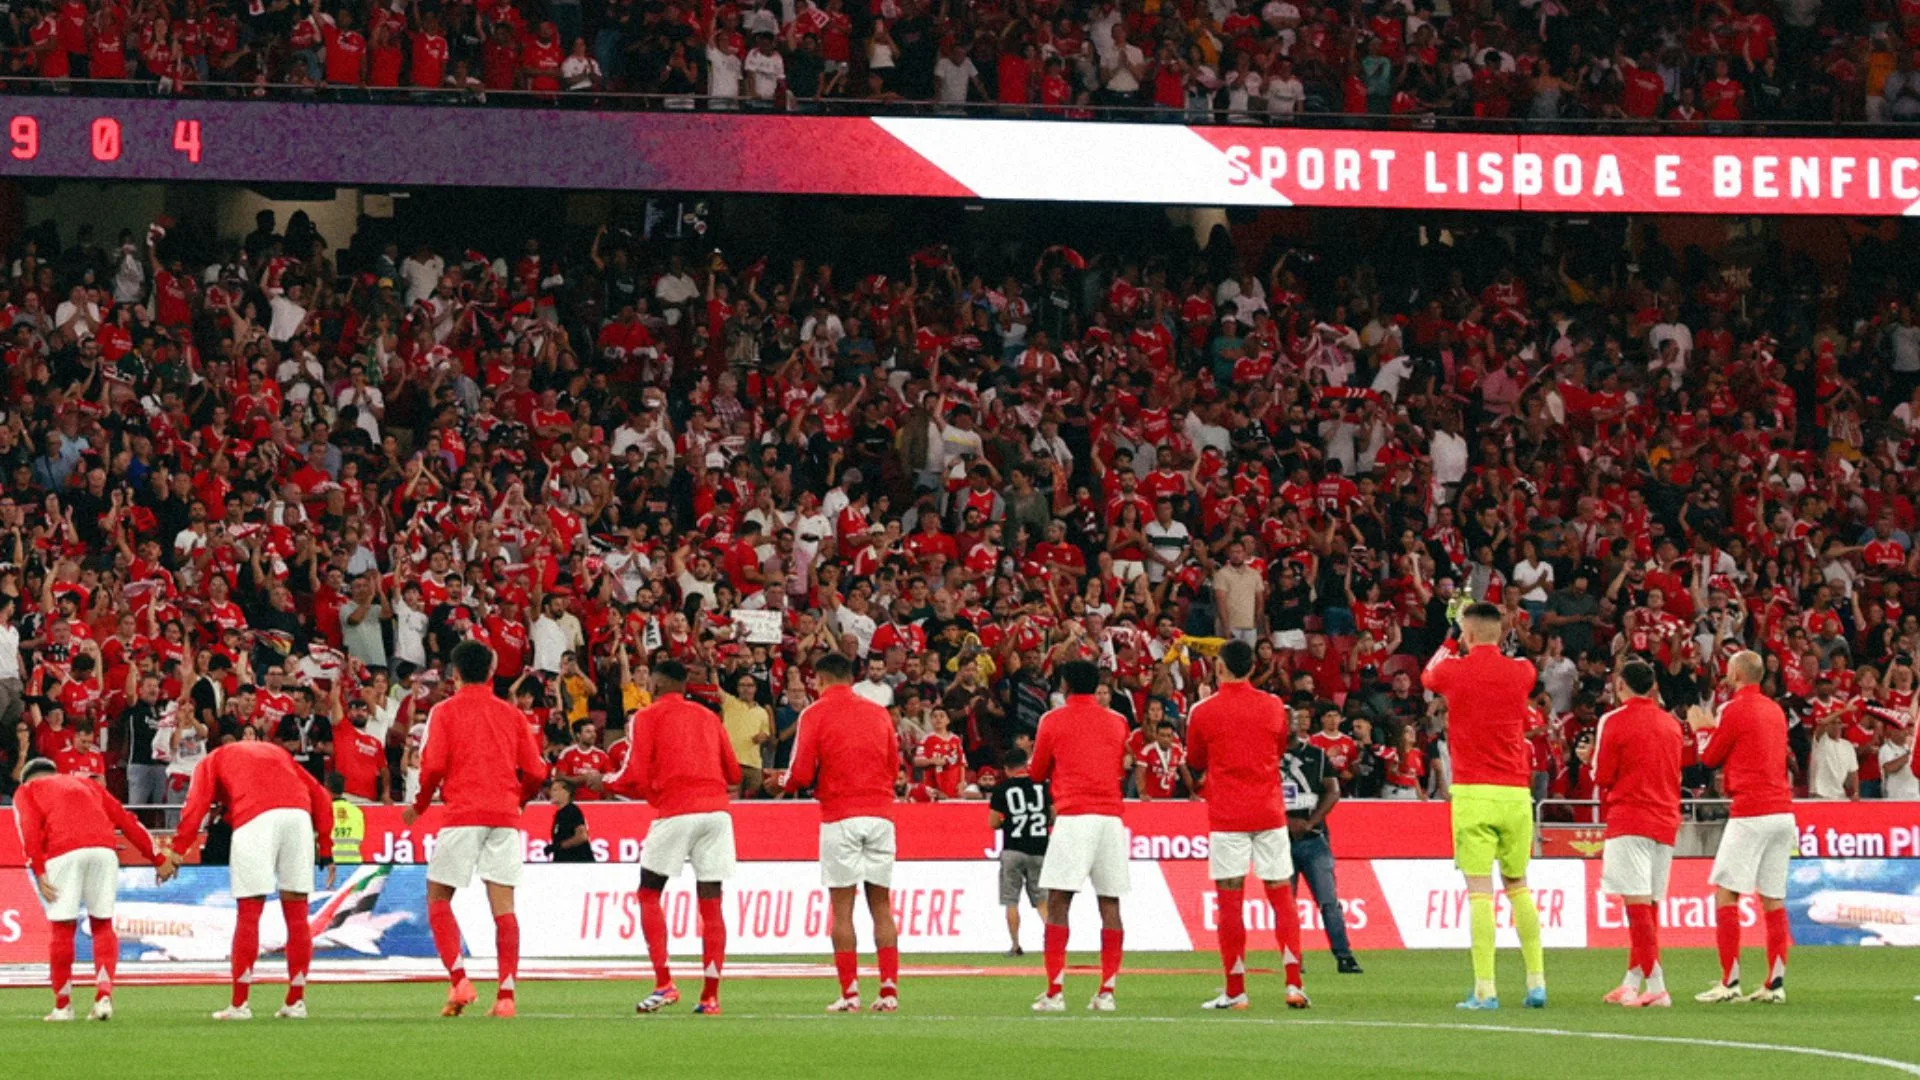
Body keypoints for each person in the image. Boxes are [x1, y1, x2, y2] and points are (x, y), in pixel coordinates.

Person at [404, 639, 550, 1019]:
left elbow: (432, 766)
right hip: (503, 817)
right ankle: (506, 996)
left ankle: (460, 981)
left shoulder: (444, 711)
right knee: (504, 908)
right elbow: (536, 771)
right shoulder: (512, 714)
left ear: (454, 675)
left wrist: (418, 806)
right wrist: (521, 799)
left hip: (462, 814)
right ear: (490, 672)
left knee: (438, 898)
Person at [1421, 601, 1547, 1010]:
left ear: (1468, 634)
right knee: (1519, 885)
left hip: (1474, 792)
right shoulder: (1523, 671)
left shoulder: (1454, 669)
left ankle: (1485, 989)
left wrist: (1449, 638)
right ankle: (1536, 984)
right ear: (1502, 631)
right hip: (1515, 793)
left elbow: (1428, 675)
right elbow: (1516, 667)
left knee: (1479, 892)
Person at [168, 736, 335, 1020]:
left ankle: (239, 1004)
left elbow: (196, 806)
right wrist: (327, 848)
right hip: (298, 816)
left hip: (256, 817)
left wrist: (177, 851)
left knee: (249, 912)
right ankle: (295, 1002)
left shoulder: (211, 761)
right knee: (297, 913)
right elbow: (320, 794)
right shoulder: (276, 752)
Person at [610, 659, 741, 1014]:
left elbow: (632, 773)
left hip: (677, 810)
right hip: (717, 812)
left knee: (649, 892)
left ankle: (665, 983)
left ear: (656, 683)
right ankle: (711, 996)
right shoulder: (708, 717)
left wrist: (603, 782)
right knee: (711, 900)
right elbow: (733, 772)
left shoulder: (646, 717)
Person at [1186, 639, 1310, 1011]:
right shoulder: (1274, 706)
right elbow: (1278, 748)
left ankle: (1236, 989)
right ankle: (1293, 984)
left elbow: (1195, 759)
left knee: (1230, 900)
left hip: (1227, 816)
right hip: (1269, 812)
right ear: (1254, 668)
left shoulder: (1203, 711)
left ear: (1219, 669)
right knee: (1280, 895)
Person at [784, 652, 901, 1012]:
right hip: (880, 814)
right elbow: (894, 764)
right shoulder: (879, 712)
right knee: (881, 906)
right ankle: (889, 990)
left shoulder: (815, 713)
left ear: (819, 680)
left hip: (840, 814)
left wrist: (781, 783)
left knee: (843, 909)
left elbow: (801, 773)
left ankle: (850, 994)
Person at [16, 757, 166, 1021]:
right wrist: (158, 859)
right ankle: (104, 996)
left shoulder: (28, 791)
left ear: (27, 778)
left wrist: (38, 871)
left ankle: (63, 1005)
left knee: (63, 928)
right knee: (102, 924)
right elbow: (126, 819)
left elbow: (28, 831)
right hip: (104, 850)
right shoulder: (88, 784)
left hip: (63, 852)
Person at [1689, 650, 1794, 1004]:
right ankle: (1775, 984)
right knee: (1773, 898)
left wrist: (1702, 729)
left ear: (1735, 673)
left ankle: (1729, 982)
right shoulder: (1775, 710)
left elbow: (1710, 756)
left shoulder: (1732, 709)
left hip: (1751, 810)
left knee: (1726, 893)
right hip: (1783, 812)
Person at [1029, 660, 1129, 1012]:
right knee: (1110, 903)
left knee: (1058, 902)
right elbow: (1117, 764)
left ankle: (1055, 992)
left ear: (1066, 684)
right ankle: (1107, 992)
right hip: (1111, 819)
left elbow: (1037, 770)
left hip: (1073, 815)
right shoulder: (1118, 722)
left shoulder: (1052, 720)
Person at [1593, 659, 1684, 1008]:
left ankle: (1657, 986)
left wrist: (1589, 759)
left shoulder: (1613, 721)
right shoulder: (1671, 725)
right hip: (1665, 819)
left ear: (1621, 685)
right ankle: (1631, 982)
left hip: (1630, 817)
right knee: (1647, 905)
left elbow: (1603, 775)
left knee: (1636, 905)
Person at [1283, 708, 1362, 975]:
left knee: (1328, 900)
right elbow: (1255, 796)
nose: (1287, 725)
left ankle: (1344, 955)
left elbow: (1333, 790)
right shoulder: (1264, 758)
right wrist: (1283, 821)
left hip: (1314, 838)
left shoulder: (1316, 755)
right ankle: (1293, 958)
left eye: (1292, 720)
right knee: (1286, 904)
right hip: (1278, 840)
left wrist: (1311, 821)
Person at [986, 747, 1048, 957]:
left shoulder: (1002, 789)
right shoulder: (1043, 786)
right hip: (1040, 848)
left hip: (1013, 848)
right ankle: (1053, 942)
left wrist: (1008, 822)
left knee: (1011, 900)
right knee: (1042, 900)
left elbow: (993, 822)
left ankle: (1015, 945)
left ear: (1007, 768)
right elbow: (1054, 816)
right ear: (1026, 764)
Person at [546, 778, 593, 863]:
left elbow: (582, 836)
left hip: (577, 863)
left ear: (566, 793)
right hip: (566, 863)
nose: (551, 793)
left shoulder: (572, 810)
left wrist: (558, 846)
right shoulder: (560, 814)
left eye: (555, 790)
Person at [327, 774, 366, 867]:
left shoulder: (324, 811)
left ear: (326, 788)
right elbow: (360, 837)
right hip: (354, 863)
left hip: (330, 864)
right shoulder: (356, 811)